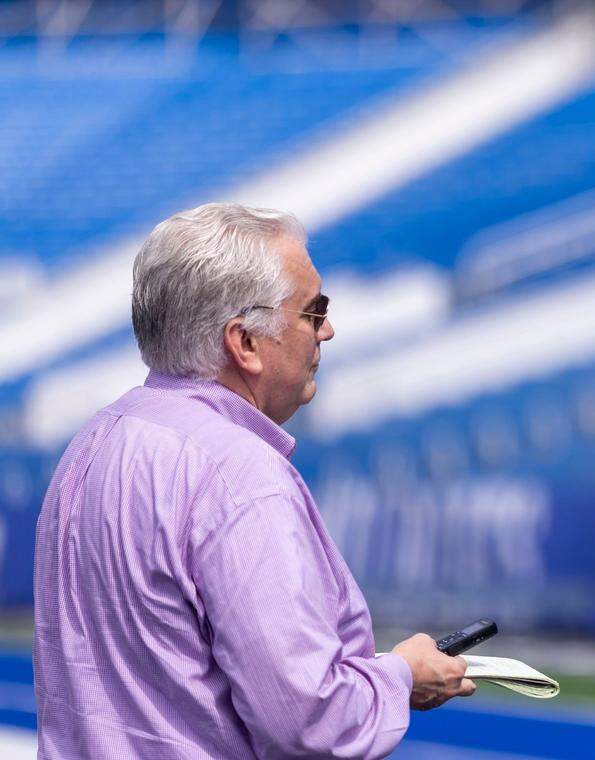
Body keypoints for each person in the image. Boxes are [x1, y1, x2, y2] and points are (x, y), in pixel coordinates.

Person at [33, 203, 474, 758]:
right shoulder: (237, 473)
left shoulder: (95, 440)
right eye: (314, 312)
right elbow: (308, 722)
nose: (328, 330)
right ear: (244, 343)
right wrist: (401, 676)